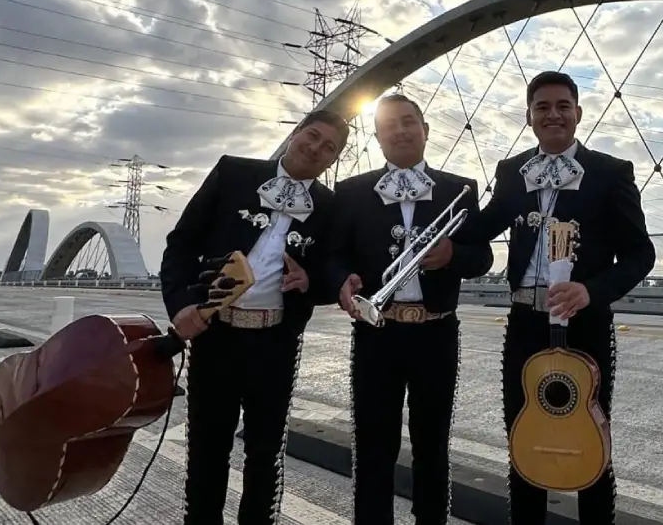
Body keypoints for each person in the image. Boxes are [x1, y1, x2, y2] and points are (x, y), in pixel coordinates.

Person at [475, 70, 656, 523]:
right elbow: (480, 228)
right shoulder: (511, 172)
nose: (552, 114)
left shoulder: (611, 172)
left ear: (578, 113)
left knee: (590, 440)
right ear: (530, 116)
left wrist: (590, 292)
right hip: (524, 324)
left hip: (586, 323)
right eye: (542, 107)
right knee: (523, 437)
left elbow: (641, 255)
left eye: (562, 106)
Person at [158, 109, 350, 525]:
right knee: (207, 451)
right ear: (296, 132)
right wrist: (179, 307)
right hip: (217, 335)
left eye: (329, 148)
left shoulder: (330, 206)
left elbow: (330, 270)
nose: (316, 148)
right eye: (312, 136)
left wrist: (310, 281)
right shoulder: (234, 174)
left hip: (276, 341)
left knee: (265, 456)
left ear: (333, 160)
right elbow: (181, 243)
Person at [324, 94, 494, 525]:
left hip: (436, 333)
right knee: (372, 444)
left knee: (432, 444)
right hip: (375, 332)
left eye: (408, 122)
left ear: (425, 129)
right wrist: (340, 280)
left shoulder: (460, 189)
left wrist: (454, 252)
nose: (400, 131)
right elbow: (333, 256)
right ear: (378, 138)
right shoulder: (352, 192)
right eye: (389, 126)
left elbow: (483, 258)